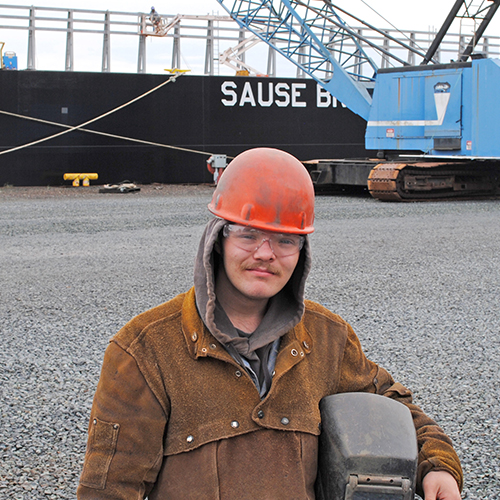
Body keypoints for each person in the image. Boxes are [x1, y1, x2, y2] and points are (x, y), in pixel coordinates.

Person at [77, 148, 462, 499]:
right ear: (218, 238)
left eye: (284, 240)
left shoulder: (327, 338)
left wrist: (438, 465)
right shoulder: (145, 349)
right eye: (248, 234)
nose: (265, 254)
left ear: (301, 251)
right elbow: (108, 489)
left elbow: (392, 406)